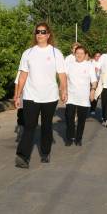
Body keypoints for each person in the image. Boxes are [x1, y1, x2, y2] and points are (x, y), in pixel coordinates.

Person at [14, 22, 67, 169]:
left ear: (48, 35)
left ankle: (45, 152)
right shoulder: (28, 53)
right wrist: (18, 95)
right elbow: (23, 76)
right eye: (38, 32)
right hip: (31, 96)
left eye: (43, 32)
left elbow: (62, 75)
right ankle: (22, 156)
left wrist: (64, 90)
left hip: (49, 96)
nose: (40, 34)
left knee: (46, 125)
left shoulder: (56, 53)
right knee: (29, 126)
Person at [65, 46, 97, 146]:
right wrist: (63, 91)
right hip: (71, 96)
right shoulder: (69, 65)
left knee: (81, 119)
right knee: (69, 117)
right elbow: (64, 79)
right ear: (74, 54)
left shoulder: (89, 65)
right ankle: (70, 137)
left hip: (83, 97)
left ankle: (78, 138)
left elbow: (94, 80)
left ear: (85, 55)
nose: (79, 55)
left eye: (81, 53)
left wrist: (92, 90)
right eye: (77, 53)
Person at [14, 70, 24, 143]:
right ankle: (20, 134)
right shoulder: (21, 69)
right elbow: (17, 82)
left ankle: (28, 133)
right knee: (21, 115)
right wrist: (16, 95)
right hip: (22, 95)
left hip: (34, 95)